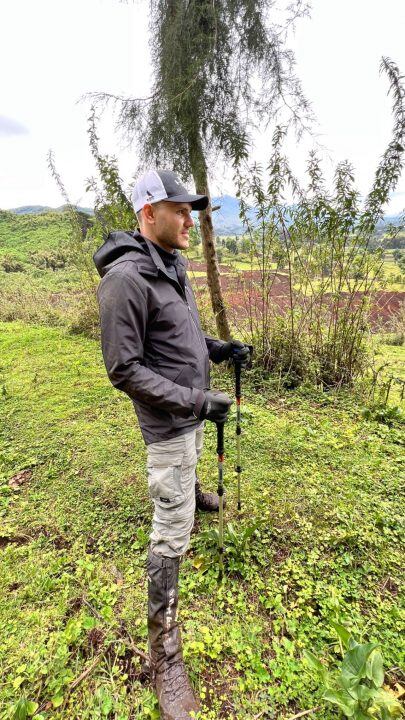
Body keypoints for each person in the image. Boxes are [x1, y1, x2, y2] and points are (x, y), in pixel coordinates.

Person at [93, 169, 251, 719]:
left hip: (190, 416)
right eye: (179, 209)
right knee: (171, 532)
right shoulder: (125, 280)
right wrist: (195, 401)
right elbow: (124, 368)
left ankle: (194, 490)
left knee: (190, 467)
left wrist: (217, 347)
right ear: (147, 214)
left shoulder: (171, 264)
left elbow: (178, 334)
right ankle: (165, 653)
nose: (190, 218)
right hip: (169, 425)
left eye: (191, 209)